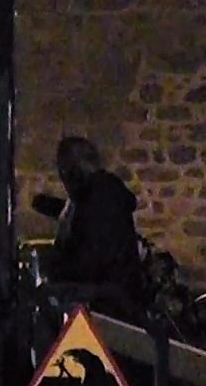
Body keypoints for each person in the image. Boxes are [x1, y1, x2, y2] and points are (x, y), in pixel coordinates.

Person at [37, 136, 147, 328]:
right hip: (115, 297)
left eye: (63, 171)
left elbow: (87, 260)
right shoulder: (102, 194)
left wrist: (54, 267)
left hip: (107, 304)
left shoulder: (97, 199)